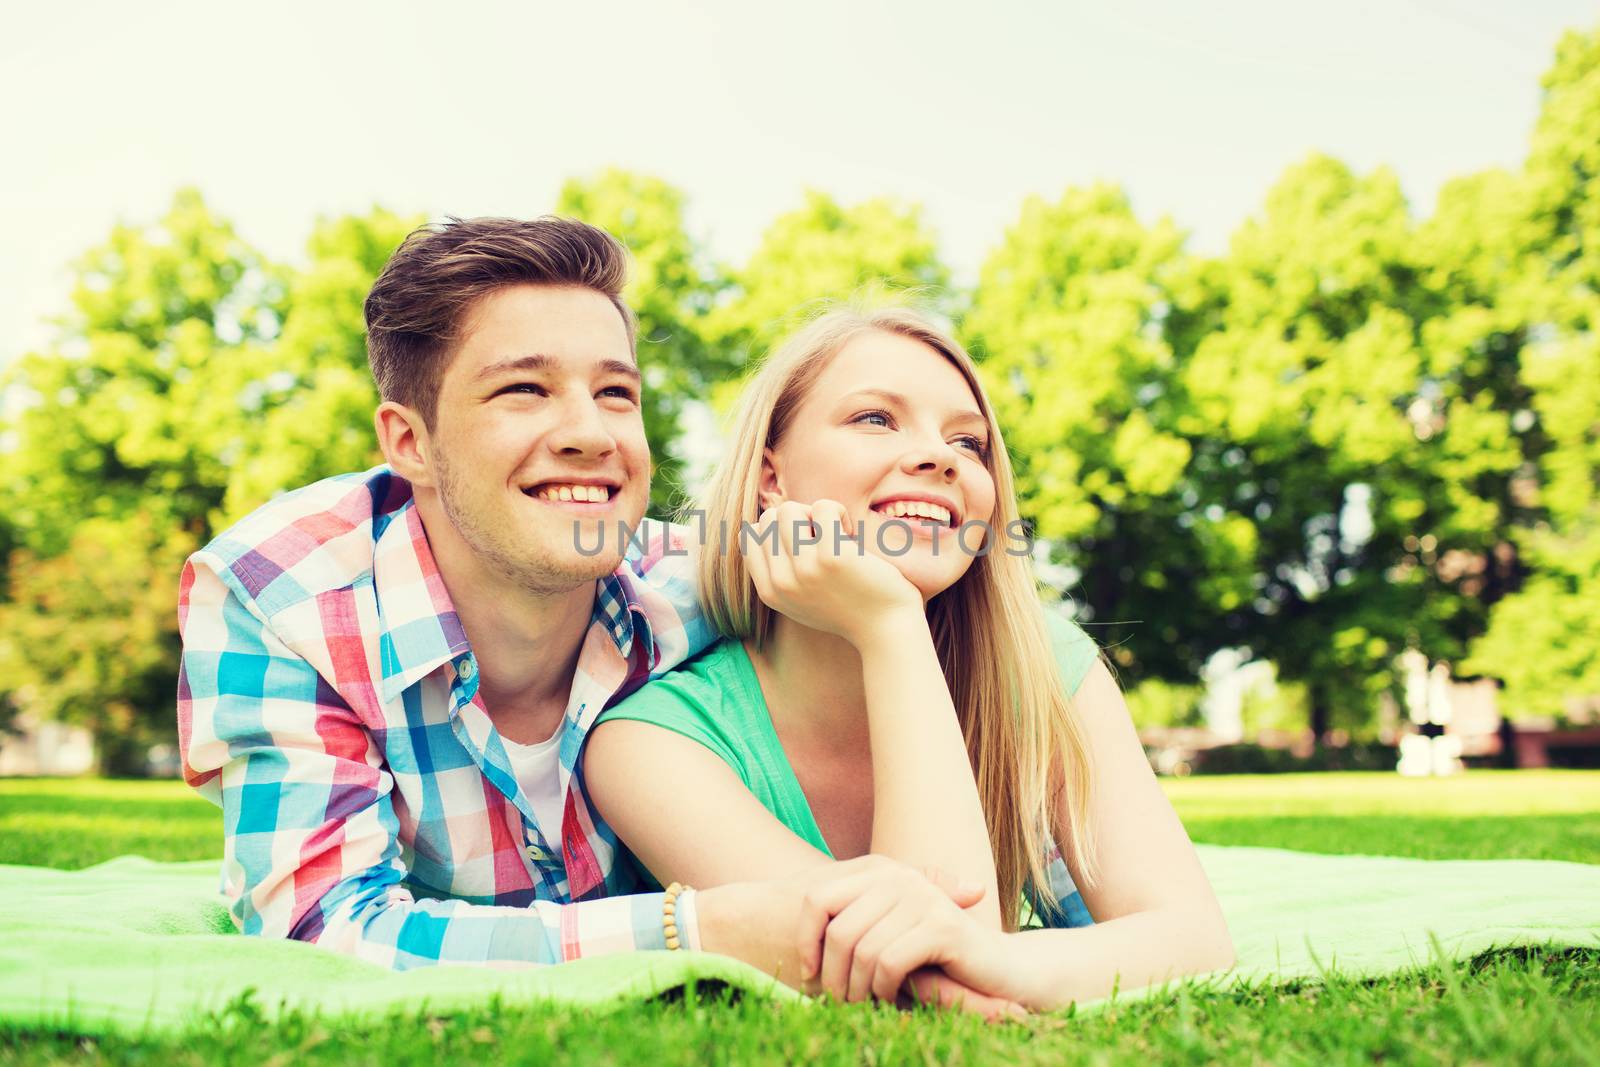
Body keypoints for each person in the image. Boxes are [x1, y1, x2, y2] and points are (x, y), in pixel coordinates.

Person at [176, 219, 1013, 1014]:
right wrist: (694, 930)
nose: (589, 432)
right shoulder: (281, 598)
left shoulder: (704, 584)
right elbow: (321, 933)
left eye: (616, 392)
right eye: (524, 390)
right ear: (409, 442)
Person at [585, 307, 1236, 1011]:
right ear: (771, 478)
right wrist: (889, 623)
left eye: (970, 441)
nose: (941, 457)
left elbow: (1195, 938)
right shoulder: (647, 742)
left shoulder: (1049, 666)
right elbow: (912, 982)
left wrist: (1004, 963)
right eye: (875, 419)